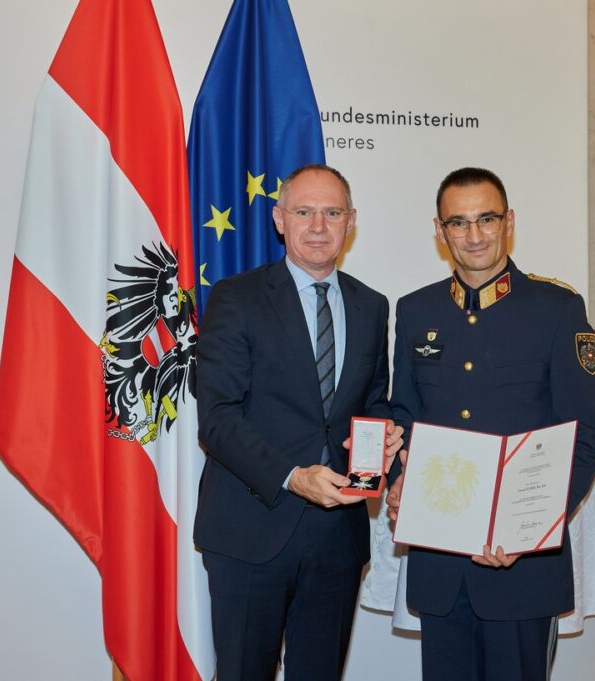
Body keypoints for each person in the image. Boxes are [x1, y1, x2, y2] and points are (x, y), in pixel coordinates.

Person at [386, 167, 595, 681]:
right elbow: (406, 415)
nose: (474, 234)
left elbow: (584, 438)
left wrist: (528, 531)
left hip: (521, 567)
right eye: (458, 222)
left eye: (486, 218)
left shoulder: (557, 310)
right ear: (440, 232)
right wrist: (399, 473)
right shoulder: (416, 311)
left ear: (509, 222)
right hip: (440, 562)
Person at [194, 163, 403, 681]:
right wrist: (294, 476)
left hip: (338, 538)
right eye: (304, 211)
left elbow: (372, 405)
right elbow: (216, 418)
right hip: (250, 530)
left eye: (332, 212)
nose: (318, 225)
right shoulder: (235, 297)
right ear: (278, 219)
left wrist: (383, 450)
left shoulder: (373, 306)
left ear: (351, 221)